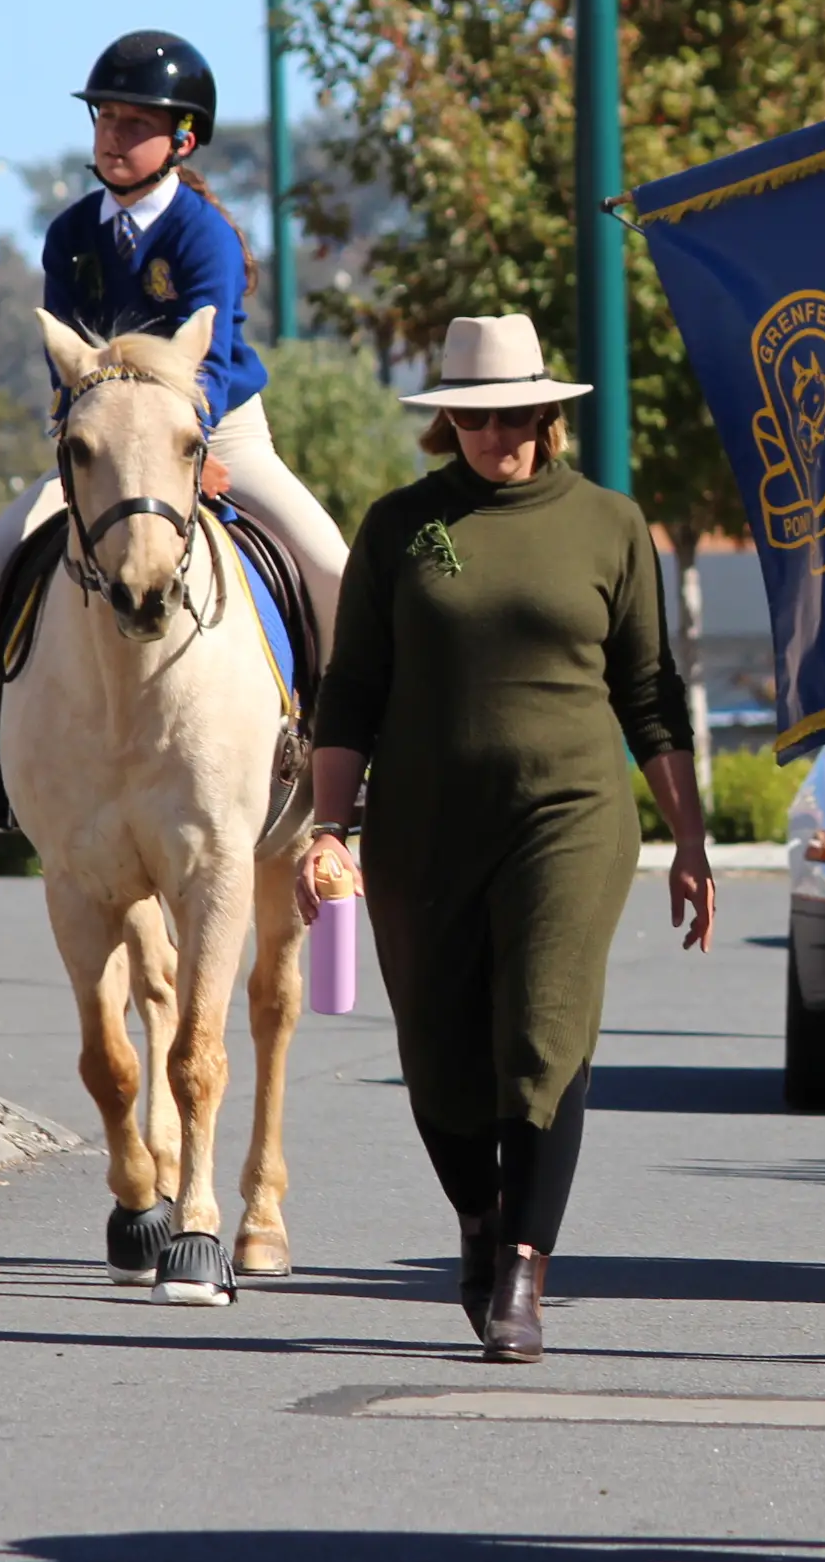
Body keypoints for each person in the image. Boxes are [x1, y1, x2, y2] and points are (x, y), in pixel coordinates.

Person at [298, 315, 716, 1362]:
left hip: (569, 816)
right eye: (476, 417)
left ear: (549, 412)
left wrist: (691, 839)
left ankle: (525, 1268)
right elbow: (352, 692)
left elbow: (650, 697)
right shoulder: (399, 526)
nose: (499, 435)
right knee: (439, 1060)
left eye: (517, 414)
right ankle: (478, 1226)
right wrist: (326, 827)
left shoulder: (612, 526)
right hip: (423, 827)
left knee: (543, 1034)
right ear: (448, 420)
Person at [0, 30, 351, 835]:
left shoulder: (203, 233)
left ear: (182, 138)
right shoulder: (70, 234)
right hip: (100, 448)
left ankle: (343, 757)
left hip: (217, 435)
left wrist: (189, 455)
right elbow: (66, 353)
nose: (111, 139)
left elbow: (219, 355)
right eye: (104, 121)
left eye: (133, 124)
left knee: (334, 568)